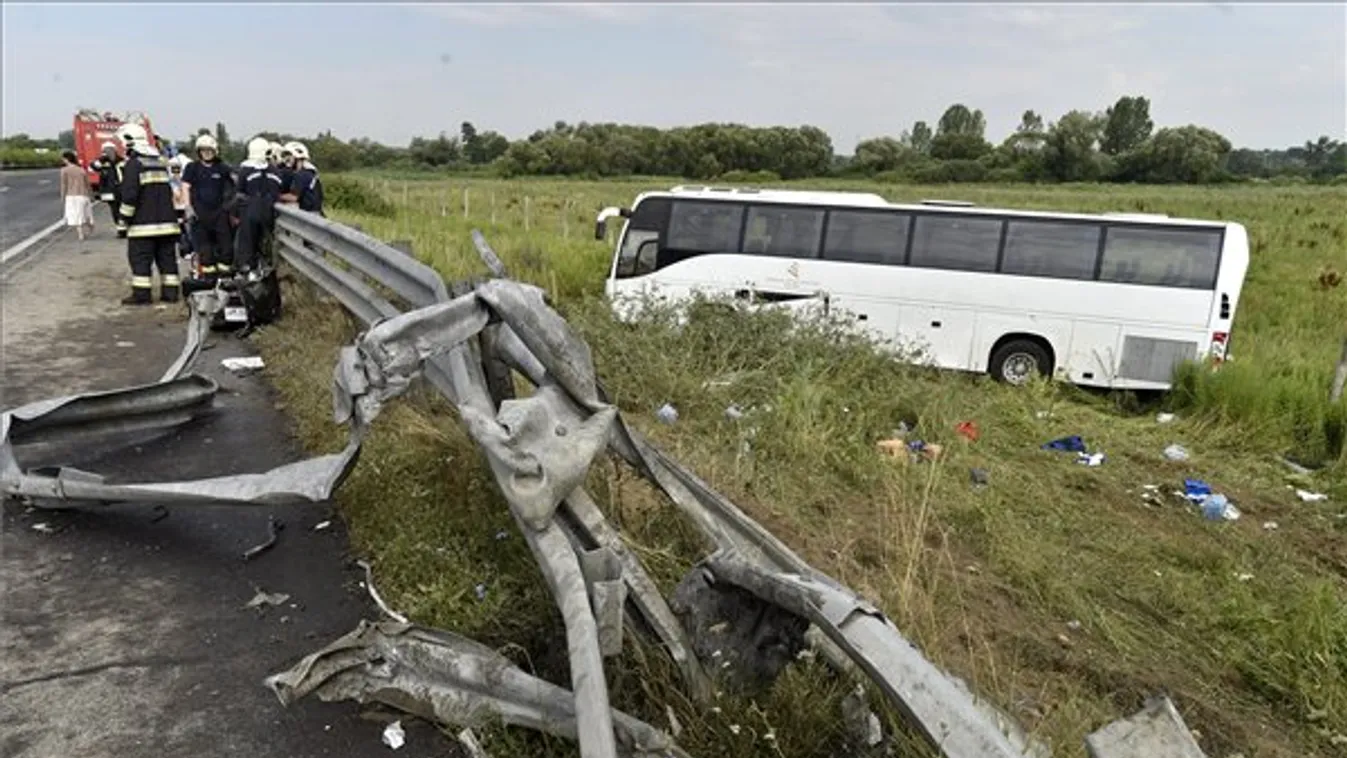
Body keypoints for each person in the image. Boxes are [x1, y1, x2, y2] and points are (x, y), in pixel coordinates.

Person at [116, 122, 181, 305]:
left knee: (141, 261)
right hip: (168, 225)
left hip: (143, 227)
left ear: (129, 142)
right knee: (167, 261)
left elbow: (130, 196)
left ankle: (142, 295)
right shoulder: (160, 162)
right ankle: (171, 294)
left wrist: (123, 220)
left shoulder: (134, 165)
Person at [181, 134, 236, 280]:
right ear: (199, 152)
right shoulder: (192, 168)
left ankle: (224, 278)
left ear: (215, 151)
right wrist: (188, 207)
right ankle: (208, 278)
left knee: (226, 248)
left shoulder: (222, 168)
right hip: (199, 215)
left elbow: (234, 186)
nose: (207, 153)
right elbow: (185, 187)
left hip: (219, 214)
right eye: (204, 150)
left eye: (210, 150)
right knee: (205, 251)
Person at [232, 136, 285, 273]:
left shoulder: (245, 171)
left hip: (250, 213)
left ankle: (248, 268)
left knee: (247, 243)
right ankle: (266, 267)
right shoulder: (275, 171)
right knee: (267, 243)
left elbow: (239, 194)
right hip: (270, 213)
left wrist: (235, 213)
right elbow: (278, 192)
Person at [89, 141, 126, 236]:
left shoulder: (121, 160)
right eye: (106, 150)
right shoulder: (102, 161)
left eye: (110, 150)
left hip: (121, 189)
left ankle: (124, 228)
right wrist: (101, 160)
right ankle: (121, 230)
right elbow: (92, 168)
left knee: (123, 209)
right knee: (114, 210)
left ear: (114, 150)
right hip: (109, 190)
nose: (108, 152)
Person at [59, 150, 95, 240]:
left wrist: (62, 196)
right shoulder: (81, 170)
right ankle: (90, 226)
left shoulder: (64, 170)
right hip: (83, 195)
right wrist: (91, 195)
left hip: (71, 196)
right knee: (84, 214)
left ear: (67, 159)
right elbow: (87, 184)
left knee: (75, 215)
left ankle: (80, 234)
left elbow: (64, 184)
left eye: (63, 159)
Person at [282, 141, 324, 216]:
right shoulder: (309, 171)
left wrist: (275, 195)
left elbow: (293, 197)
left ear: (297, 157)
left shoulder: (302, 175)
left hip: (310, 214)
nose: (287, 159)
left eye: (289, 156)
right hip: (315, 212)